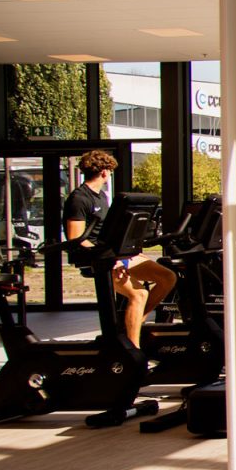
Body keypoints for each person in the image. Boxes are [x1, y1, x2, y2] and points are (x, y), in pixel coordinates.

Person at [62, 148, 177, 349]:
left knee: (168, 277)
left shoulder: (101, 196)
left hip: (113, 253)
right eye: (110, 171)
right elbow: (76, 239)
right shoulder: (79, 198)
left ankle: (134, 322)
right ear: (104, 172)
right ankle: (132, 350)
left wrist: (127, 252)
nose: (110, 175)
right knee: (139, 294)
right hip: (98, 258)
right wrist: (111, 259)